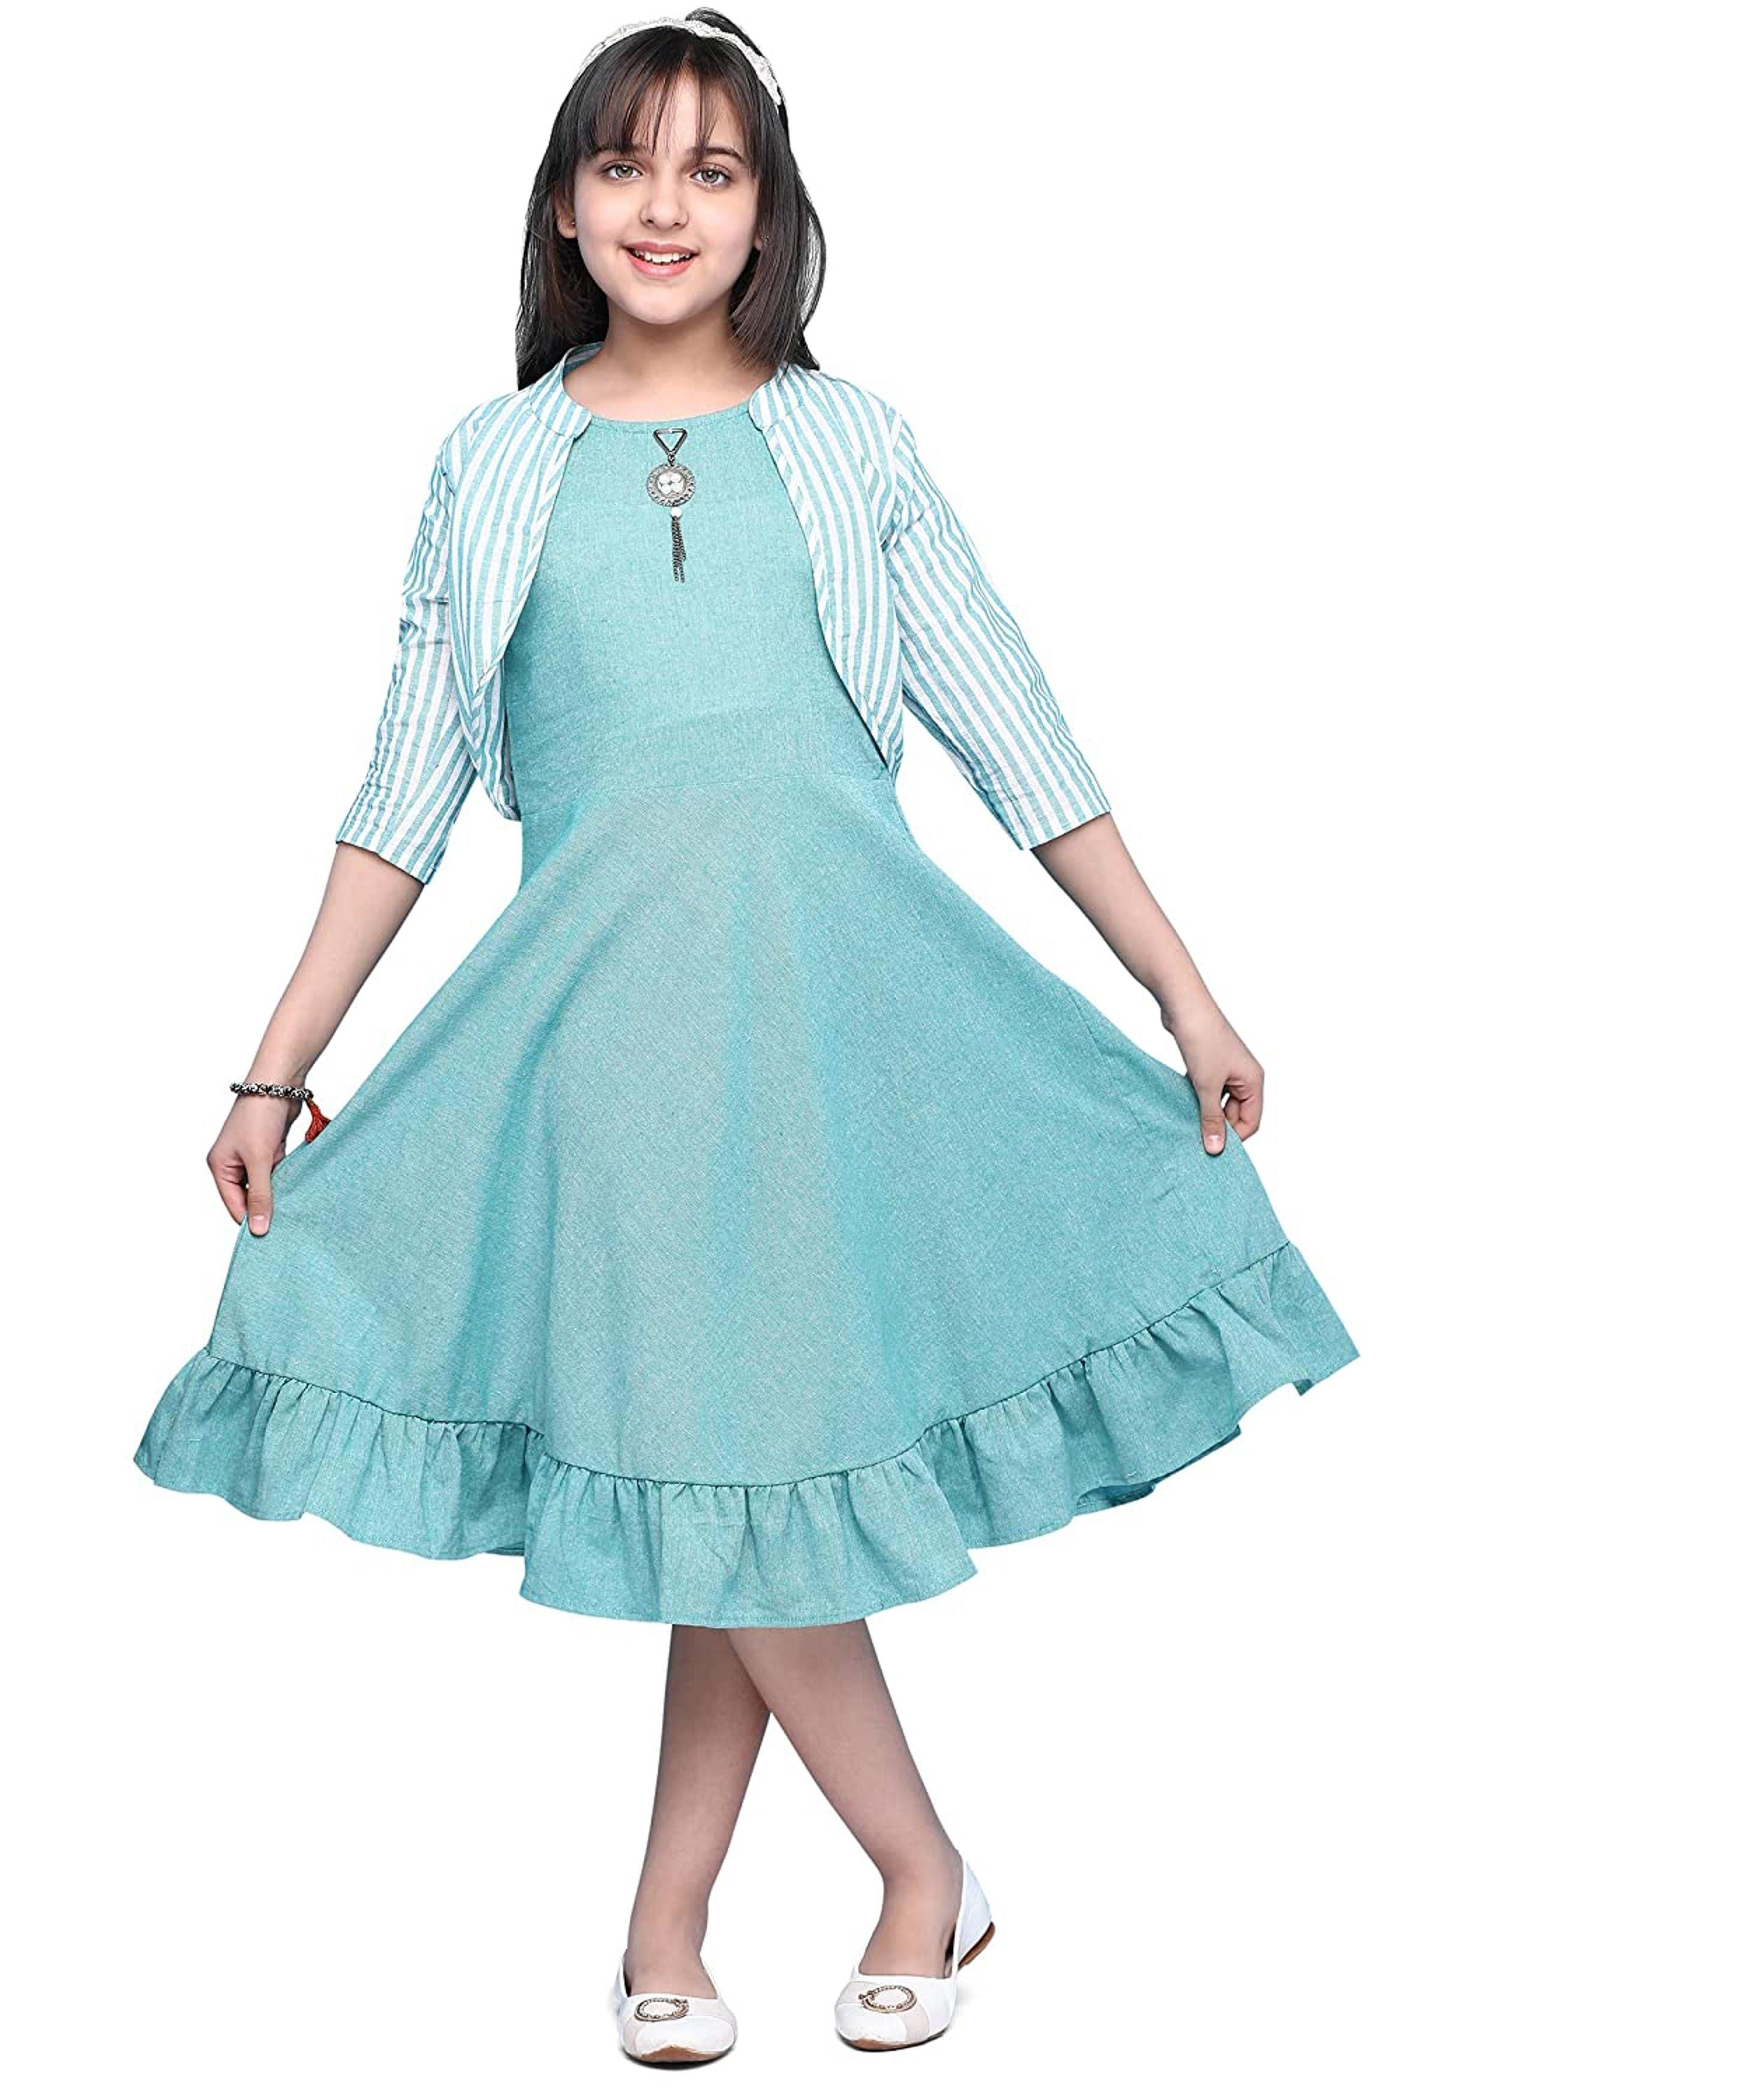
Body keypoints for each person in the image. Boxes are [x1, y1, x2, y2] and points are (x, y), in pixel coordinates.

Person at [133, 10, 1358, 2063]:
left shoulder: (851, 440)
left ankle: (725, 1904)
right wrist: (273, 1066)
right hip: (606, 1051)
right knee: (722, 1452)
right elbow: (403, 790)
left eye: (713, 170)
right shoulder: (490, 462)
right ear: (562, 206)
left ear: (771, 212)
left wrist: (1182, 981)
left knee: (741, 1452)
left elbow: (1015, 725)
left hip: (836, 1028)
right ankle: (893, 1873)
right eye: (625, 167)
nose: (665, 207)